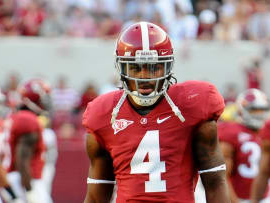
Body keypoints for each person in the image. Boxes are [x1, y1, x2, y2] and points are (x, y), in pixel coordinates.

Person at [82, 22, 229, 202]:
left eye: (154, 67)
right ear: (121, 68)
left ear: (168, 67)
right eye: (135, 67)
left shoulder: (192, 105)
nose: (145, 76)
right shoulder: (103, 115)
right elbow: (97, 197)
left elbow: (215, 182)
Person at [219, 89, 270, 203]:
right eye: (254, 110)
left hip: (267, 197)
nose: (259, 115)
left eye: (261, 111)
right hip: (240, 198)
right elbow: (222, 175)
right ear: (242, 110)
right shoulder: (231, 132)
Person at [7, 78, 53, 203]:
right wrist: (30, 191)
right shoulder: (28, 120)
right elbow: (22, 161)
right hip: (25, 180)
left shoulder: (20, 117)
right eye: (43, 98)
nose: (46, 102)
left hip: (21, 178)